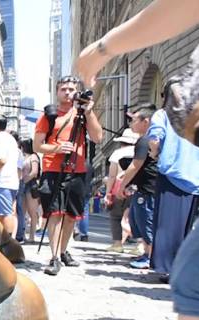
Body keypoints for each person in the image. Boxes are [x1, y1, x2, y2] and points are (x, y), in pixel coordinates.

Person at [76, 2, 199, 320]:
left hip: (171, 186)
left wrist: (100, 50)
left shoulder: (155, 131)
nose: (134, 122)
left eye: (135, 118)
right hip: (180, 185)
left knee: (191, 278)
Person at [33, 76, 104, 276]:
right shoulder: (49, 115)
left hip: (78, 170)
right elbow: (37, 146)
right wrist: (56, 148)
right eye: (63, 89)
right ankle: (54, 257)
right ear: (57, 92)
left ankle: (64, 251)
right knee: (54, 214)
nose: (67, 92)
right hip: (53, 169)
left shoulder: (83, 115)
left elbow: (98, 137)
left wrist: (88, 112)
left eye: (71, 89)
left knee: (72, 216)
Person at [146, 88, 199, 282]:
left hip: (173, 173)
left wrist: (155, 152)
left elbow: (154, 138)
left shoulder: (163, 114)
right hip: (196, 176)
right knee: (189, 229)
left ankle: (171, 268)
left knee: (169, 227)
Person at [117, 104, 159, 268]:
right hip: (147, 188)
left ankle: (150, 256)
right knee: (138, 220)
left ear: (145, 121)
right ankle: (147, 253)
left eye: (134, 120)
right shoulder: (149, 139)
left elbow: (136, 165)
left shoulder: (144, 140)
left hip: (148, 190)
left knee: (146, 221)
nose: (131, 124)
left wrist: (122, 186)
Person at [103, 128, 137, 253]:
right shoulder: (140, 152)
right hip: (135, 187)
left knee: (116, 216)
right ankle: (140, 245)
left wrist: (108, 192)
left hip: (119, 186)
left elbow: (112, 175)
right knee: (136, 216)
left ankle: (117, 244)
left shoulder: (117, 153)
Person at [0, 114, 21, 238]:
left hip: (2, 182)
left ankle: (7, 242)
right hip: (11, 181)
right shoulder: (10, 138)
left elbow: (1, 160)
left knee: (4, 214)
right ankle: (6, 240)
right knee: (8, 212)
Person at [19, 138, 41, 243]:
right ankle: (22, 235)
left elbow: (34, 172)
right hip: (23, 186)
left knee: (32, 213)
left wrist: (24, 180)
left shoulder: (33, 157)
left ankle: (32, 236)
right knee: (22, 212)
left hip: (30, 186)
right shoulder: (24, 157)